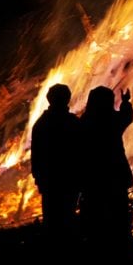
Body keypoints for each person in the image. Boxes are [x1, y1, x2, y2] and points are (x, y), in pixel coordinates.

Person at [78, 86, 133, 251]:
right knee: (118, 209)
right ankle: (119, 243)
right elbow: (126, 117)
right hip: (115, 173)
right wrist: (125, 102)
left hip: (92, 175)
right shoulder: (112, 120)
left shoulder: (84, 122)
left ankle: (94, 242)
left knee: (93, 209)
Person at [31, 83, 82, 245]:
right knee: (67, 218)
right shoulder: (72, 122)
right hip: (68, 180)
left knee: (52, 220)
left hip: (50, 180)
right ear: (67, 99)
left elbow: (36, 155)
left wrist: (38, 177)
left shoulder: (41, 123)